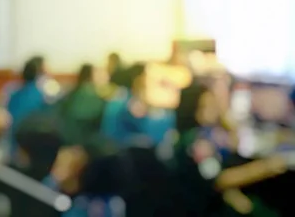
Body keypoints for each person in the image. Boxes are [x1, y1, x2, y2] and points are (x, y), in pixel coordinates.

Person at [173, 83, 286, 217]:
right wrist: (266, 167)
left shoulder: (210, 130)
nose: (214, 109)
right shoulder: (196, 142)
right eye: (207, 106)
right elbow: (220, 180)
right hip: (211, 204)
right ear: (193, 108)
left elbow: (235, 139)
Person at [101, 63, 175, 147]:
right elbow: (140, 121)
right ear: (138, 78)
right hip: (121, 143)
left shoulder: (121, 94)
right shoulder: (129, 100)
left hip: (111, 141)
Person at [55, 64, 106, 145]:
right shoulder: (88, 93)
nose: (105, 77)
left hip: (66, 137)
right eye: (100, 74)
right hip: (80, 141)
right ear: (90, 76)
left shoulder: (76, 91)